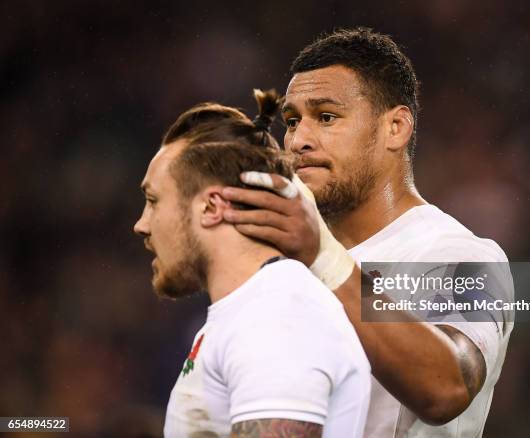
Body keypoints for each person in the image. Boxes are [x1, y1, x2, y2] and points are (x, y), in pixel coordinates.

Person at [220, 28, 514, 437]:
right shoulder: (281, 266)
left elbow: (447, 387)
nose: (299, 140)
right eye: (291, 121)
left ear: (396, 127)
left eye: (326, 117)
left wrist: (323, 257)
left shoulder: (462, 254)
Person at [133, 90, 371, 437]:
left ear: (212, 207)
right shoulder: (250, 312)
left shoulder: (277, 316)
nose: (141, 223)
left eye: (153, 201)